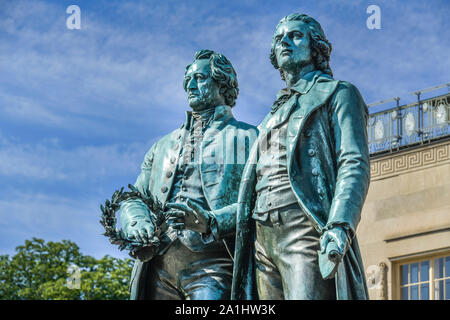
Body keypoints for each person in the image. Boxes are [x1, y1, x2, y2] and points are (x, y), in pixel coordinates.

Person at [174, 13, 370, 300]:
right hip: (261, 240)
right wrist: (210, 221)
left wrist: (340, 224)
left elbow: (353, 163)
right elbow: (248, 198)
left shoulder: (339, 94)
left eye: (296, 35)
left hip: (305, 229)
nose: (285, 42)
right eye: (279, 38)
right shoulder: (269, 117)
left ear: (316, 48)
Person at [119, 49, 257, 300]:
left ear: (222, 84)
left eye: (200, 78)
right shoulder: (163, 145)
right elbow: (134, 196)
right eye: (188, 80)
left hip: (213, 267)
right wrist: (136, 222)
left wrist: (213, 220)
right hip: (157, 267)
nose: (190, 86)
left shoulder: (250, 138)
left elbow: (263, 204)